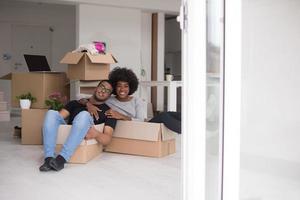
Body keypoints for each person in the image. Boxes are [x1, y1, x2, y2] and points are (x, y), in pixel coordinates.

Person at [39, 80, 116, 172]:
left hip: (86, 135)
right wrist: (88, 104)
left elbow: (107, 139)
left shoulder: (108, 112)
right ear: (96, 88)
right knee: (51, 113)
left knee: (84, 115)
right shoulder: (75, 103)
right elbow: (55, 120)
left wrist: (96, 134)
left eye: (107, 91)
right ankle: (48, 159)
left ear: (109, 96)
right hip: (68, 132)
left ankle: (62, 159)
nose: (103, 91)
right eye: (102, 87)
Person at [84, 67, 181, 134]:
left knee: (170, 114)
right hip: (134, 131)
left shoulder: (137, 101)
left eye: (126, 86)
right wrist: (89, 104)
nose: (122, 89)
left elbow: (141, 121)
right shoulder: (108, 99)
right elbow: (81, 98)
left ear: (131, 87)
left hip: (142, 126)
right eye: (119, 86)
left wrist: (121, 116)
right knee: (164, 115)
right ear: (114, 87)